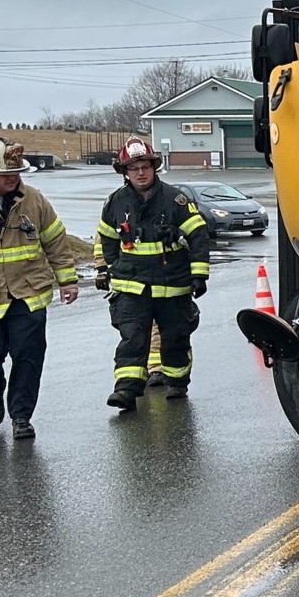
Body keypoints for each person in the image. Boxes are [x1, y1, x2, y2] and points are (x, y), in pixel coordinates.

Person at [94, 137, 211, 411]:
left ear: (154, 167)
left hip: (172, 287)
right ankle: (126, 390)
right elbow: (107, 240)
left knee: (175, 339)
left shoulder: (175, 199)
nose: (140, 173)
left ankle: (177, 383)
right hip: (132, 288)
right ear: (125, 172)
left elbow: (198, 235)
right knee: (132, 338)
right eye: (133, 168)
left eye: (145, 166)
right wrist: (112, 269)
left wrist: (199, 274)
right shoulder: (115, 203)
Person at [0, 137, 84, 440]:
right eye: (5, 175)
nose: (13, 179)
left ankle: (21, 417)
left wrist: (67, 280)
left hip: (28, 296)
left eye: (16, 174)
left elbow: (55, 239)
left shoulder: (34, 200)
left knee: (28, 357)